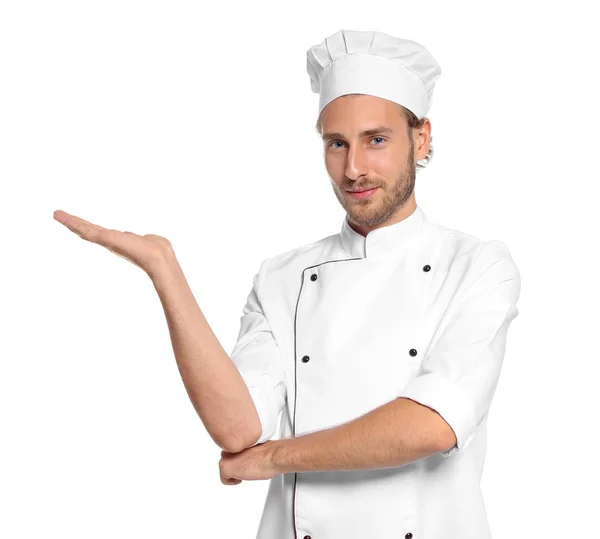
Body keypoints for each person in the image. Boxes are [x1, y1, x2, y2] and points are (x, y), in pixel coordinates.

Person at [54, 29, 521, 539]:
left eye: (377, 140)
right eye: (336, 144)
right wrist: (165, 270)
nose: (354, 168)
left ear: (422, 138)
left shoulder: (476, 266)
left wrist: (273, 459)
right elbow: (237, 428)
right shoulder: (282, 277)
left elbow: (432, 424)